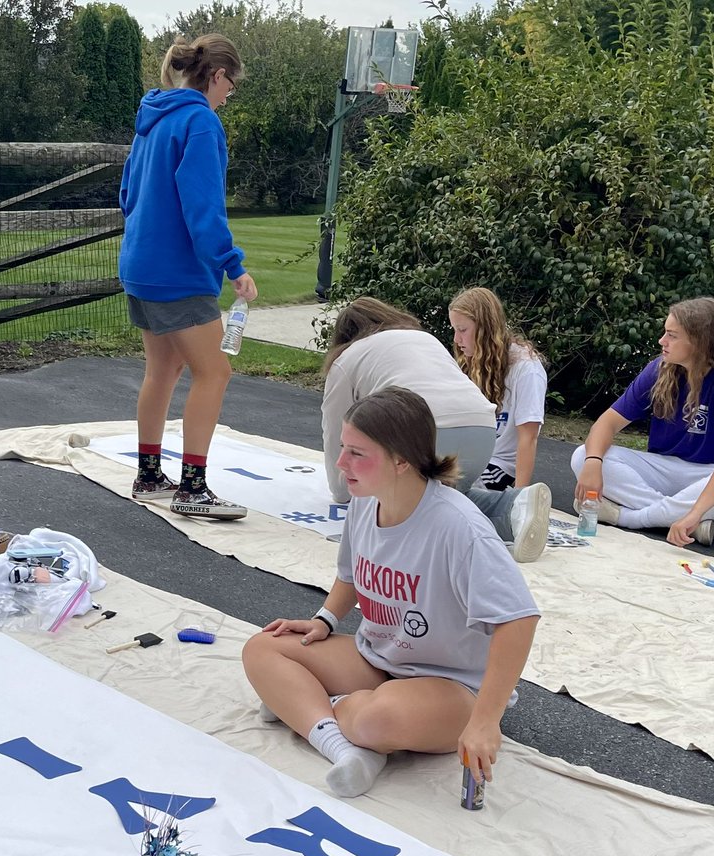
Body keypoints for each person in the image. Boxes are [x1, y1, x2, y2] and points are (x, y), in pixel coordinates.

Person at [243, 387, 541, 799]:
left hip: (451, 685)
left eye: (357, 453)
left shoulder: (459, 528)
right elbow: (350, 575)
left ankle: (318, 713)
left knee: (375, 719)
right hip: (381, 658)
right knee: (263, 648)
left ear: (402, 460)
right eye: (342, 448)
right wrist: (324, 619)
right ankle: (348, 748)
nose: (341, 463)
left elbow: (519, 618)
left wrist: (486, 721)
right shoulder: (366, 500)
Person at [118, 33, 258, 520]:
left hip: (139, 265)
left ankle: (150, 473)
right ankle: (193, 486)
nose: (228, 96)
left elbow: (127, 195)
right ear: (217, 75)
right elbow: (203, 208)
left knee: (163, 371)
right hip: (178, 272)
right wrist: (232, 265)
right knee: (214, 371)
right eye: (230, 86)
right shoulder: (200, 121)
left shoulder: (151, 119)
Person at [321, 297, 552, 563]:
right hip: (482, 429)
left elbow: (336, 429)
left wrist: (342, 488)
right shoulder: (424, 339)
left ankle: (507, 510)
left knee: (399, 502)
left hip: (427, 430)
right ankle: (513, 506)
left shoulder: (347, 358)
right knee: (445, 500)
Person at [572, 296, 714, 547]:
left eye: (672, 335)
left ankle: (629, 517)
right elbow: (606, 423)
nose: (661, 341)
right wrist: (592, 461)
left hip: (712, 478)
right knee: (582, 455)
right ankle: (682, 520)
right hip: (666, 471)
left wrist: (697, 509)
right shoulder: (660, 369)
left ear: (700, 342)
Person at [449, 287, 548, 490]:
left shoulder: (526, 369)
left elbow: (528, 437)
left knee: (453, 492)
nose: (456, 340)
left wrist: (519, 500)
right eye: (454, 330)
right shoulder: (471, 360)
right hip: (470, 458)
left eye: (462, 330)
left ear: (485, 328)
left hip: (499, 465)